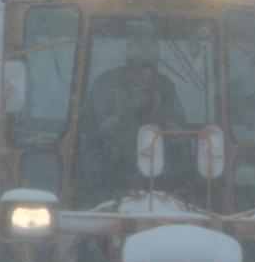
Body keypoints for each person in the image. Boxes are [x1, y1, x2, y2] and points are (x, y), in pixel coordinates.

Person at [78, 36, 185, 206]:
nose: (144, 72)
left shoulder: (165, 87)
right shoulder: (107, 84)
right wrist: (112, 122)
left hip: (157, 164)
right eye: (137, 65)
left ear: (155, 65)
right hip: (111, 165)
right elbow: (91, 125)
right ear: (128, 63)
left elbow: (178, 124)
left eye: (149, 66)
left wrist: (172, 126)